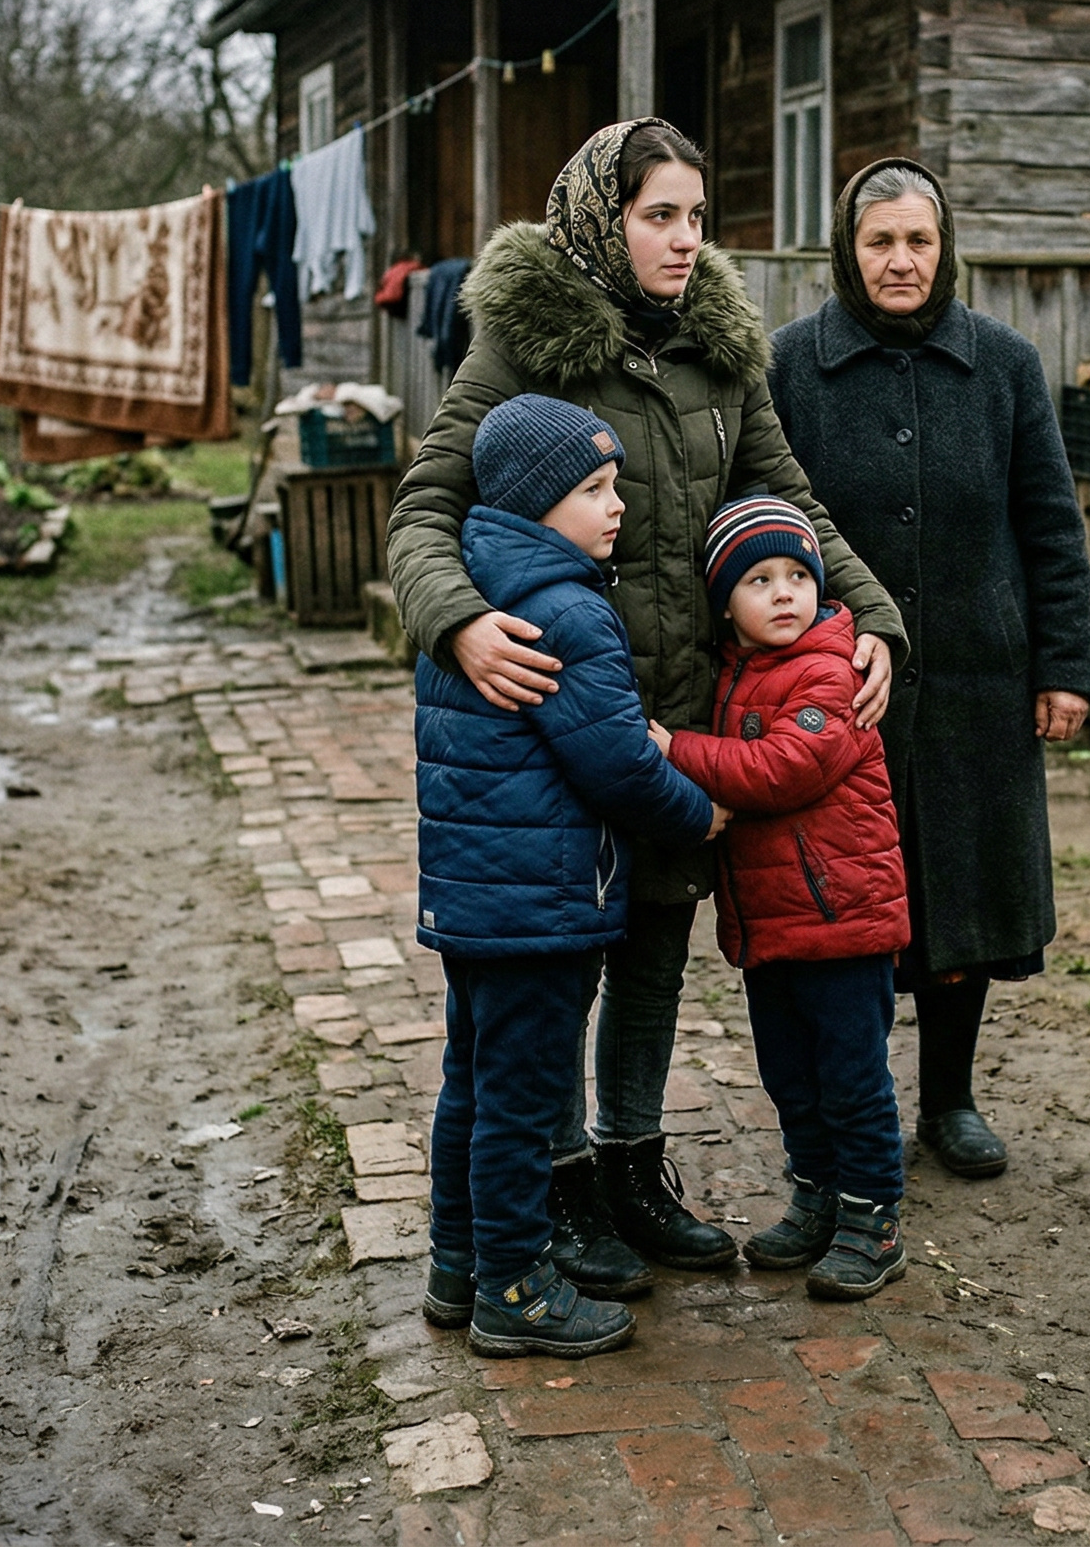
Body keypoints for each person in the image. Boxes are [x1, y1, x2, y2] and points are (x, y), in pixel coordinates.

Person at [387, 120, 906, 1291]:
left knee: (657, 945)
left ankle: (629, 1163)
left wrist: (870, 615)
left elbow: (787, 497)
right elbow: (426, 504)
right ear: (598, 221)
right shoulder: (520, 339)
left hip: (679, 703)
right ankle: (559, 1188)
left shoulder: (723, 349)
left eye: (693, 216)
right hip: (555, 701)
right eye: (656, 215)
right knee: (564, 948)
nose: (682, 239)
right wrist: (458, 621)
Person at [767, 160, 1090, 1180]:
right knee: (845, 899)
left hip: (974, 683)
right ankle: (850, 1106)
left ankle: (948, 1099)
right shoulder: (790, 366)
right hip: (837, 688)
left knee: (959, 893)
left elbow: (1049, 524)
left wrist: (1063, 667)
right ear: (846, 251)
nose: (900, 260)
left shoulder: (1000, 364)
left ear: (943, 246)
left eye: (918, 240)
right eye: (879, 242)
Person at [412, 395, 724, 1356]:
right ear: (536, 503)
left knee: (473, 1078)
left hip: (475, 894)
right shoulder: (566, 609)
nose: (617, 504)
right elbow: (618, 762)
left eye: (616, 483)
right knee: (518, 1095)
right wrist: (701, 813)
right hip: (540, 901)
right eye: (594, 489)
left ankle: (457, 1263)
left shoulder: (476, 594)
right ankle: (515, 1287)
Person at [657, 494, 913, 1300]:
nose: (784, 593)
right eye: (759, 579)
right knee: (789, 1074)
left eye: (798, 575)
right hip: (771, 925)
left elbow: (781, 772)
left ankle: (873, 1217)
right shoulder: (734, 671)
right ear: (723, 600)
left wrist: (676, 748)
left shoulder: (827, 670)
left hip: (843, 920)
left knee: (851, 1075)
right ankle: (817, 1195)